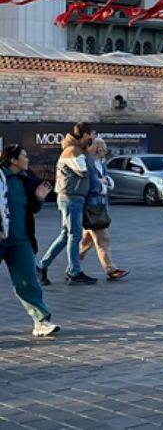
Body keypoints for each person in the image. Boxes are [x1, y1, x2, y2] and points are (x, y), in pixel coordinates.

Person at [1, 145, 59, 336]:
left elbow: (32, 209)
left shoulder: (26, 179)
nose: (27, 159)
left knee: (28, 280)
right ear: (13, 160)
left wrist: (39, 198)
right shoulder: (1, 178)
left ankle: (41, 321)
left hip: (20, 239)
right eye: (24, 156)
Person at [37, 123, 97, 286]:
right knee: (74, 235)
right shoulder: (73, 151)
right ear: (85, 134)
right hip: (71, 198)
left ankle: (42, 266)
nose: (94, 138)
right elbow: (84, 171)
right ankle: (73, 272)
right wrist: (89, 153)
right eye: (93, 134)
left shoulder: (77, 150)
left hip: (73, 198)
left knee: (66, 235)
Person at [78, 138, 128, 281]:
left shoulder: (101, 163)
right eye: (103, 147)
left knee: (87, 242)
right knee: (103, 239)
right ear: (97, 148)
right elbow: (89, 183)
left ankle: (73, 266)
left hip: (100, 205)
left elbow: (105, 178)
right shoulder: (88, 162)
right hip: (92, 206)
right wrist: (101, 184)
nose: (105, 151)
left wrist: (106, 182)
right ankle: (110, 269)